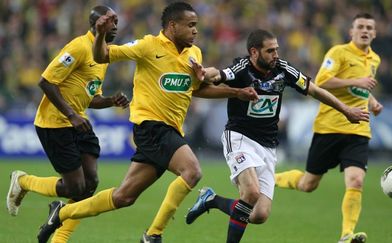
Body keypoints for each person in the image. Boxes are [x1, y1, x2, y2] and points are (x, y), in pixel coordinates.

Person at [36, 2, 258, 243]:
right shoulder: (147, 46)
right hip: (151, 127)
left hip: (170, 130)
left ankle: (62, 212)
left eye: (196, 26)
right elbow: (101, 55)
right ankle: (153, 235)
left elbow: (197, 89)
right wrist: (100, 34)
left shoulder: (194, 54)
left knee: (123, 197)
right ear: (172, 26)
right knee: (192, 171)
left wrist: (235, 93)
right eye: (190, 25)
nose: (195, 30)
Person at [185, 29, 370, 243]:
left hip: (267, 145)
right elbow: (218, 74)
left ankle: (212, 200)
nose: (276, 55)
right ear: (254, 52)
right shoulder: (242, 67)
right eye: (270, 51)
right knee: (251, 193)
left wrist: (346, 110)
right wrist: (204, 72)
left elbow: (315, 90)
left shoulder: (283, 69)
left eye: (277, 50)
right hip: (239, 138)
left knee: (259, 214)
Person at [6, 5, 129, 243]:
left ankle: (59, 238)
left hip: (78, 120)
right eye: (110, 20)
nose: (115, 25)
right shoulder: (78, 46)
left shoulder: (104, 54)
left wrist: (111, 101)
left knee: (90, 184)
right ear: (96, 24)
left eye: (117, 21)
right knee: (75, 188)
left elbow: (90, 97)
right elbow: (46, 82)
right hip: (54, 123)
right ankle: (22, 181)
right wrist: (72, 115)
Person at [274, 13, 383, 243]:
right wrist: (356, 82)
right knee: (308, 184)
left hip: (358, 129)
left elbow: (363, 88)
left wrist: (372, 102)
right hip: (329, 128)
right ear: (351, 31)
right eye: (360, 26)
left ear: (374, 33)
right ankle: (270, 178)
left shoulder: (374, 59)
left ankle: (346, 234)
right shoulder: (338, 53)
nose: (365, 30)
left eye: (369, 27)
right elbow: (321, 82)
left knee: (356, 181)